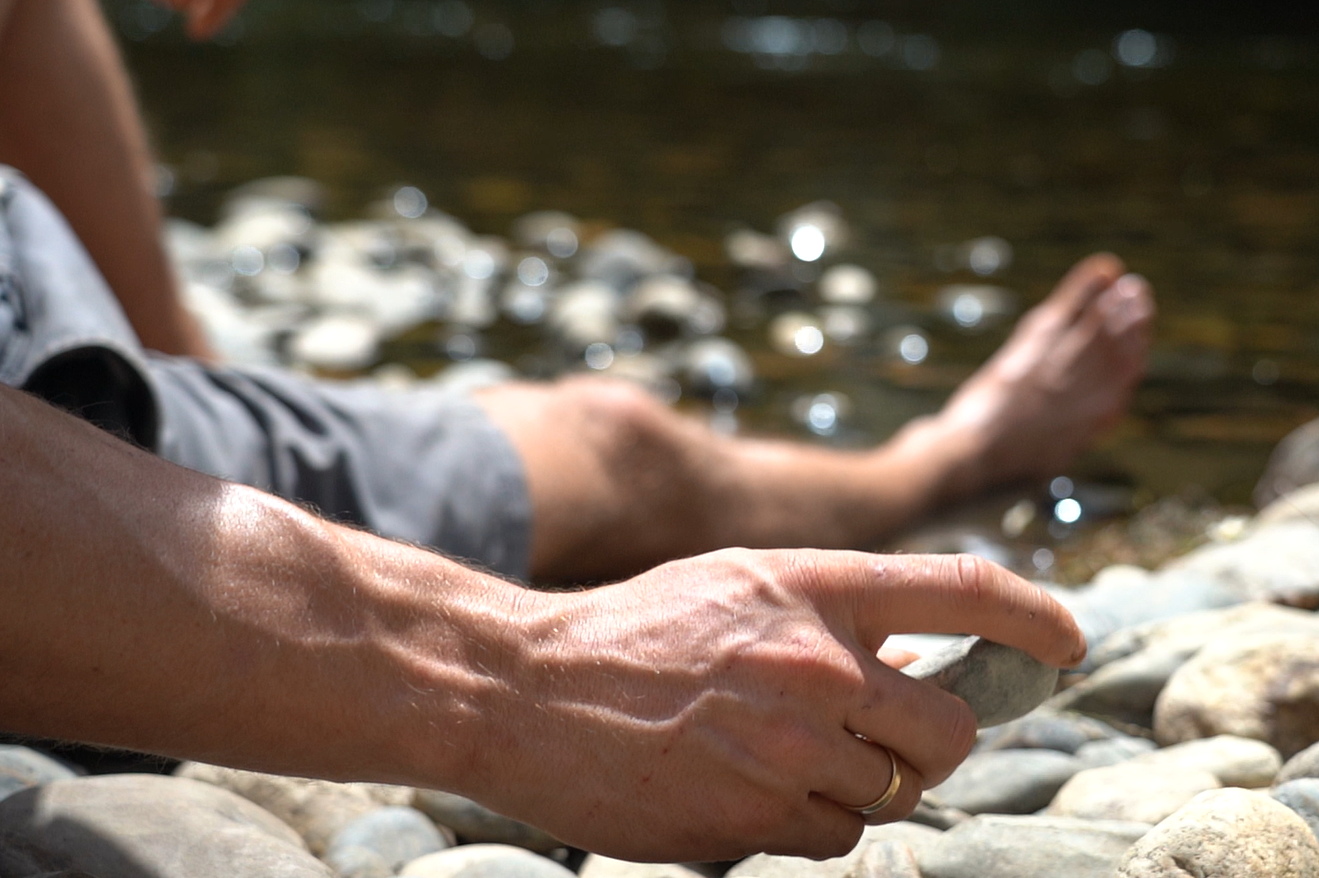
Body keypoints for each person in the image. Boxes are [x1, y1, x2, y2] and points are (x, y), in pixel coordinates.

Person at [0, 0, 1150, 862]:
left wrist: (188, 415)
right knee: (603, 449)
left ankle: (937, 463)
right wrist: (522, 679)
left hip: (50, 327)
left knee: (614, 444)